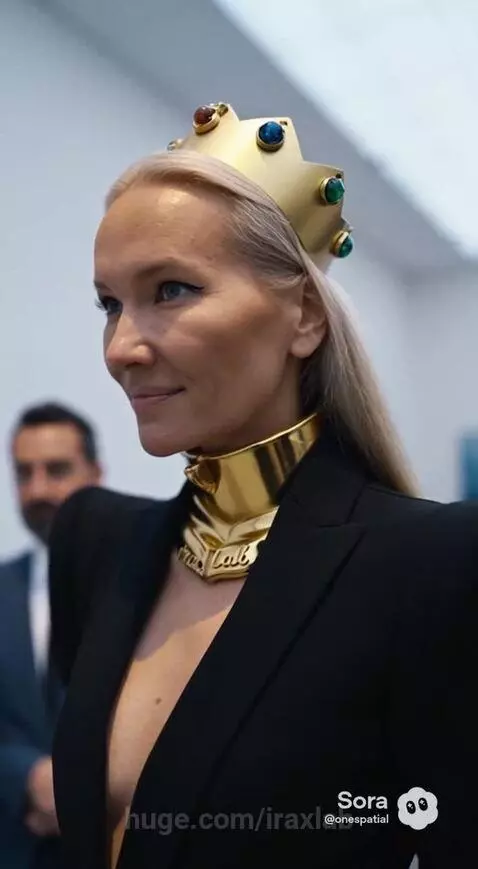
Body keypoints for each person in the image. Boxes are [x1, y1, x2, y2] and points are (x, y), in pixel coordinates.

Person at [48, 103, 478, 869]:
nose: (121, 347)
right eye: (109, 303)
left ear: (304, 316)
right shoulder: (98, 546)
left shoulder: (428, 563)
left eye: (171, 289)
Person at [0, 402, 102, 868]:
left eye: (57, 470)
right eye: (24, 473)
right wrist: (25, 777)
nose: (37, 489)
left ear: (95, 473)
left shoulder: (152, 586)